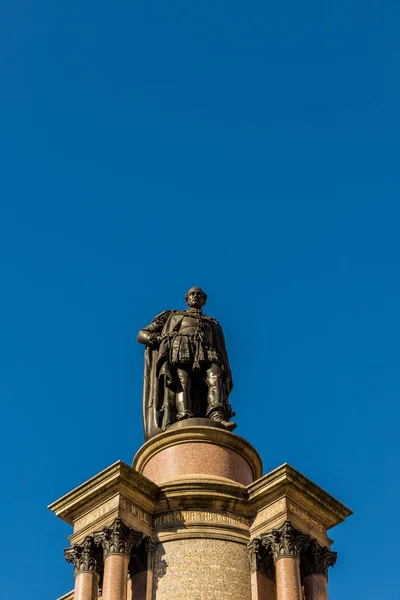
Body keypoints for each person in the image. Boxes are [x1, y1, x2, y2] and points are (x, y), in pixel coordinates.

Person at [137, 287, 236, 440]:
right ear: (187, 298)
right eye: (192, 294)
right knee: (183, 383)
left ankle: (216, 415)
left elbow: (221, 348)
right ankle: (183, 415)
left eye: (199, 295)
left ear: (204, 300)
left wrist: (226, 371)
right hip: (182, 350)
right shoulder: (172, 316)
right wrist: (158, 339)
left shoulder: (212, 324)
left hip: (208, 352)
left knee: (214, 379)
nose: (195, 296)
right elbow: (142, 334)